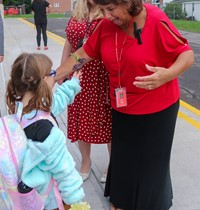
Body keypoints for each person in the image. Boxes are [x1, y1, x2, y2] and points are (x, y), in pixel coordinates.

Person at [55, 0, 194, 209]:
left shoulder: (154, 19)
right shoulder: (106, 27)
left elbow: (186, 54)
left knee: (150, 165)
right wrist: (52, 77)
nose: (107, 16)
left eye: (110, 9)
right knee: (123, 160)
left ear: (128, 3)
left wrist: (167, 75)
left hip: (158, 109)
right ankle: (121, 201)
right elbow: (81, 55)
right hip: (123, 107)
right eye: (102, 10)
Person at [6, 52, 85, 210]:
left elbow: (54, 104)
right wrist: (76, 202)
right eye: (52, 74)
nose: (54, 78)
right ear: (43, 81)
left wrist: (73, 84)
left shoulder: (21, 109)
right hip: (50, 199)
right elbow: (64, 170)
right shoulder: (45, 130)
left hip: (31, 193)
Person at [60, 0, 112, 182]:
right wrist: (62, 70)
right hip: (78, 75)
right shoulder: (78, 13)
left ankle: (112, 164)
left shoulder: (109, 12)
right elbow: (69, 42)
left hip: (101, 75)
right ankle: (86, 162)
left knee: (107, 121)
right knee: (81, 119)